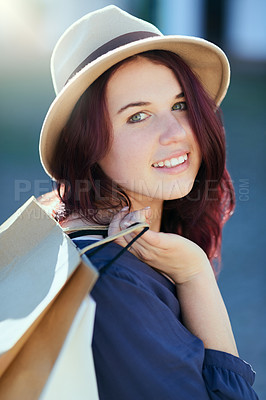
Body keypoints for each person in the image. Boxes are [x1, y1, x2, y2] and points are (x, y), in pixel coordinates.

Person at [39, 5, 259, 399]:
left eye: (180, 105)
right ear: (87, 144)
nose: (175, 132)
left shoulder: (114, 247)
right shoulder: (111, 281)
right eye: (138, 117)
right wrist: (196, 276)